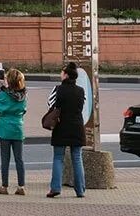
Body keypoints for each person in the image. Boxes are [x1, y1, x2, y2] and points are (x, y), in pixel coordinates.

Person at [47, 61, 87, 198]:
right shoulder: (81, 91)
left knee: (58, 157)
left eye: (62, 72)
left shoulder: (57, 89)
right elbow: (81, 107)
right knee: (77, 158)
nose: (60, 74)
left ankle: (55, 188)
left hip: (61, 127)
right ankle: (80, 190)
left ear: (65, 75)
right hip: (77, 127)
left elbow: (50, 105)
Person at [0, 67, 27, 196]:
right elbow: (24, 109)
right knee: (19, 159)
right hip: (18, 128)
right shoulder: (23, 96)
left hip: (5, 128)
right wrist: (7, 86)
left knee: (5, 159)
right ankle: (21, 186)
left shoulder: (3, 96)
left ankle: (4, 186)